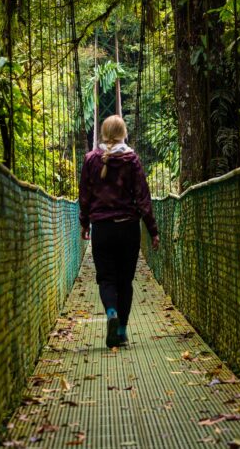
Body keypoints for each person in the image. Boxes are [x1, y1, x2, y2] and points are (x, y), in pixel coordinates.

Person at [79, 115, 160, 348]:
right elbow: (143, 198)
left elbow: (84, 197)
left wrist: (85, 223)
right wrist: (153, 230)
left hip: (102, 229)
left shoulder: (90, 160)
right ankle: (122, 332)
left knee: (106, 279)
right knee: (125, 281)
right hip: (128, 229)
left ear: (103, 134)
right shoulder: (131, 159)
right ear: (124, 133)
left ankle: (111, 313)